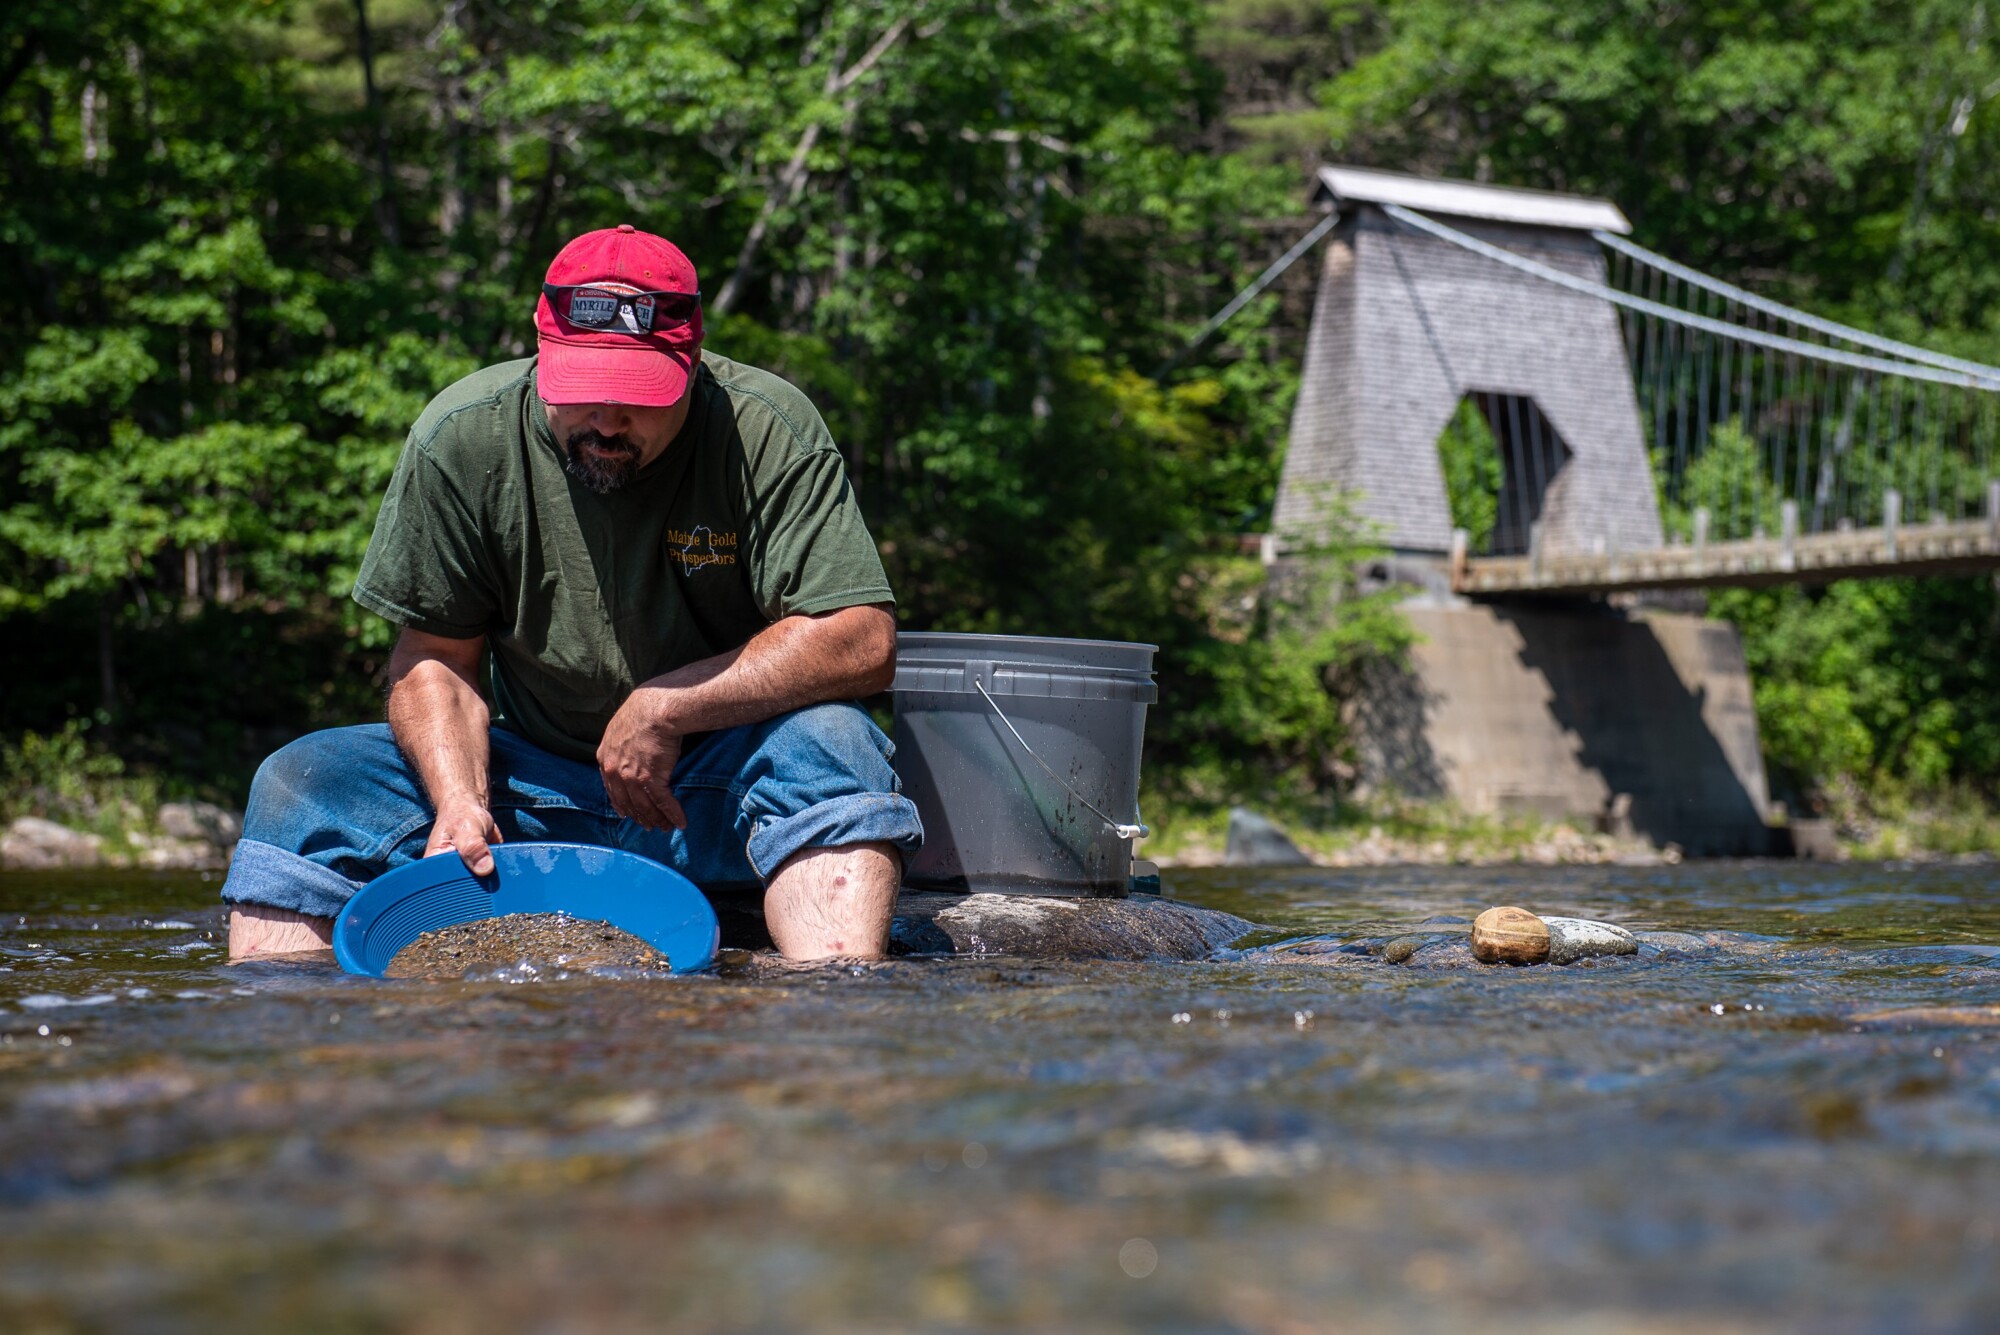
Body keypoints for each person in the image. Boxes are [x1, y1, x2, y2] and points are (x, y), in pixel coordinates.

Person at [222, 224, 923, 961]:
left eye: (638, 398)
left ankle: (829, 1023)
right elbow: (433, 656)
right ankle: (295, 1040)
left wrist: (668, 706)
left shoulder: (767, 428)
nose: (608, 421)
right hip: (529, 795)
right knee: (299, 782)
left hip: (717, 790)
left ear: (692, 358)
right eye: (584, 393)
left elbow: (862, 639)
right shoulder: (462, 436)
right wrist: (459, 797)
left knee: (837, 743)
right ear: (541, 346)